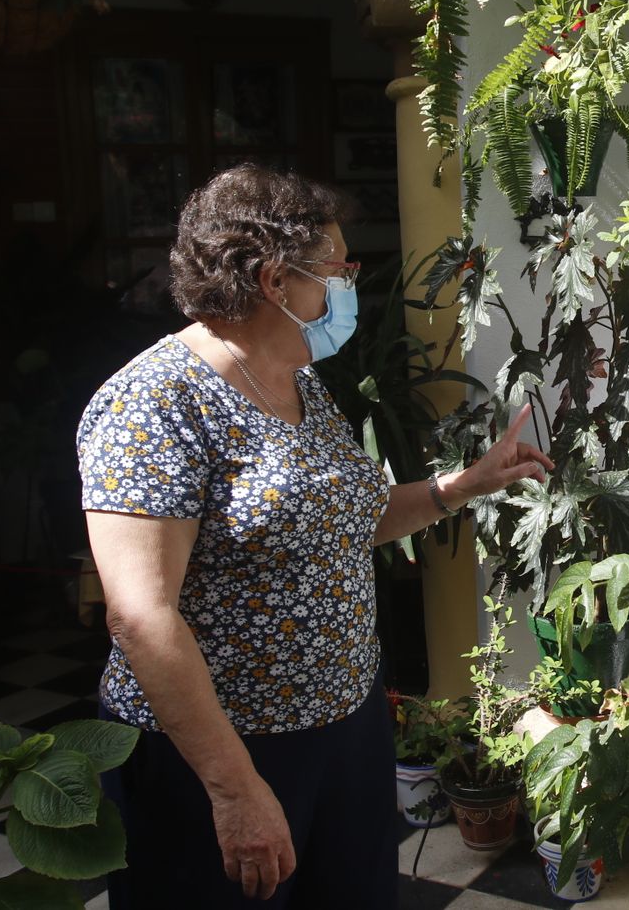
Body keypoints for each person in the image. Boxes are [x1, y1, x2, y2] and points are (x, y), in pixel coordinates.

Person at [77, 165, 552, 908]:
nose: (347, 285)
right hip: (217, 756)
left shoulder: (294, 379)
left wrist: (460, 486)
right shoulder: (153, 404)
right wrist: (235, 790)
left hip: (342, 726)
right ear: (273, 279)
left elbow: (343, 521)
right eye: (338, 268)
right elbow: (140, 615)